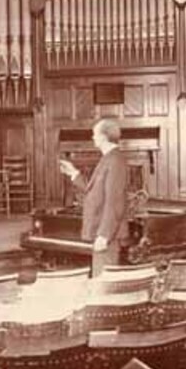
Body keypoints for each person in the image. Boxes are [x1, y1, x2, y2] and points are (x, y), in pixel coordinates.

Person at [59, 117, 129, 276]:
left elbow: (114, 202)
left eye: (95, 134)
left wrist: (104, 235)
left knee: (105, 280)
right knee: (101, 277)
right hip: (102, 230)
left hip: (108, 234)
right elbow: (94, 190)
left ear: (104, 137)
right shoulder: (108, 158)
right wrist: (73, 173)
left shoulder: (115, 161)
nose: (93, 137)